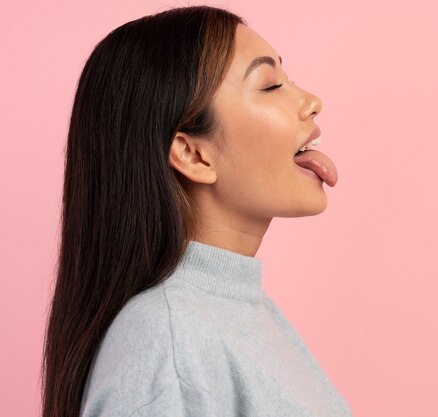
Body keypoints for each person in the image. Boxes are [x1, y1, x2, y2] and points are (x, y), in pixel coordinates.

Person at [41, 5, 348, 417]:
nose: (312, 101)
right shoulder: (169, 339)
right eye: (271, 85)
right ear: (193, 154)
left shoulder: (233, 314)